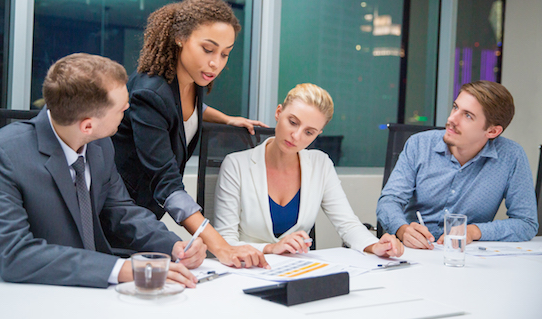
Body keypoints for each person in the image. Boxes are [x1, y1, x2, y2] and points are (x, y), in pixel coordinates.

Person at [0, 53, 206, 288]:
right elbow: (14, 254)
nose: (128, 110)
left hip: (85, 290)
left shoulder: (99, 143)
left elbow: (121, 210)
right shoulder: (1, 155)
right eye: (122, 110)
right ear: (87, 125)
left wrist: (173, 246)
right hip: (11, 293)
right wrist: (122, 269)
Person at [112, 0, 269, 269]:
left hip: (146, 212)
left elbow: (190, 109)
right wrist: (222, 247)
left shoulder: (189, 78)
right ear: (180, 37)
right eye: (208, 49)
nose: (215, 63)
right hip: (120, 216)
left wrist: (226, 119)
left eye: (225, 54)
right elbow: (167, 183)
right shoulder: (150, 93)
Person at [213, 83, 404, 257]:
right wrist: (271, 248)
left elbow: (347, 224)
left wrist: (375, 245)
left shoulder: (320, 164)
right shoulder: (236, 165)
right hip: (246, 271)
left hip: (297, 272)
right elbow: (225, 241)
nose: (296, 136)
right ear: (278, 112)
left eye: (309, 132)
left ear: (317, 135)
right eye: (293, 122)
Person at [377, 80, 539, 249]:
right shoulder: (419, 145)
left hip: (466, 257)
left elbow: (526, 223)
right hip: (415, 252)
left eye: (468, 115)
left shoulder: (511, 156)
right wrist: (402, 230)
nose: (451, 119)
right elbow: (389, 201)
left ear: (492, 131)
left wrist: (473, 231)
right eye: (455, 107)